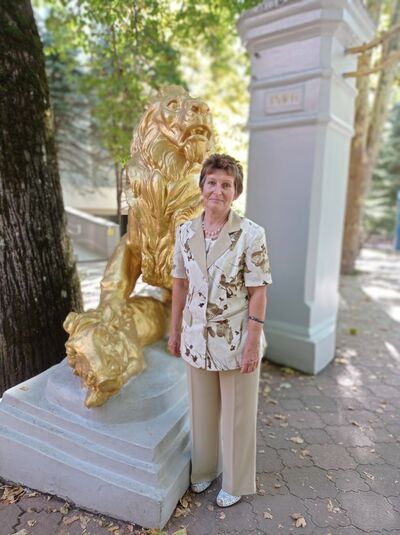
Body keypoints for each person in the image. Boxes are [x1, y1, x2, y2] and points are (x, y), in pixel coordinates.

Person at [168, 153, 272, 507]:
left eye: (226, 185)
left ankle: (237, 482)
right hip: (195, 337)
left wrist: (252, 344)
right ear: (201, 186)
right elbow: (180, 284)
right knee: (201, 409)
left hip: (235, 339)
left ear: (235, 192)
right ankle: (204, 470)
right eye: (211, 182)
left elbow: (258, 292)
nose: (217, 190)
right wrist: (174, 332)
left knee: (237, 414)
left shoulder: (251, 234)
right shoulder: (185, 231)